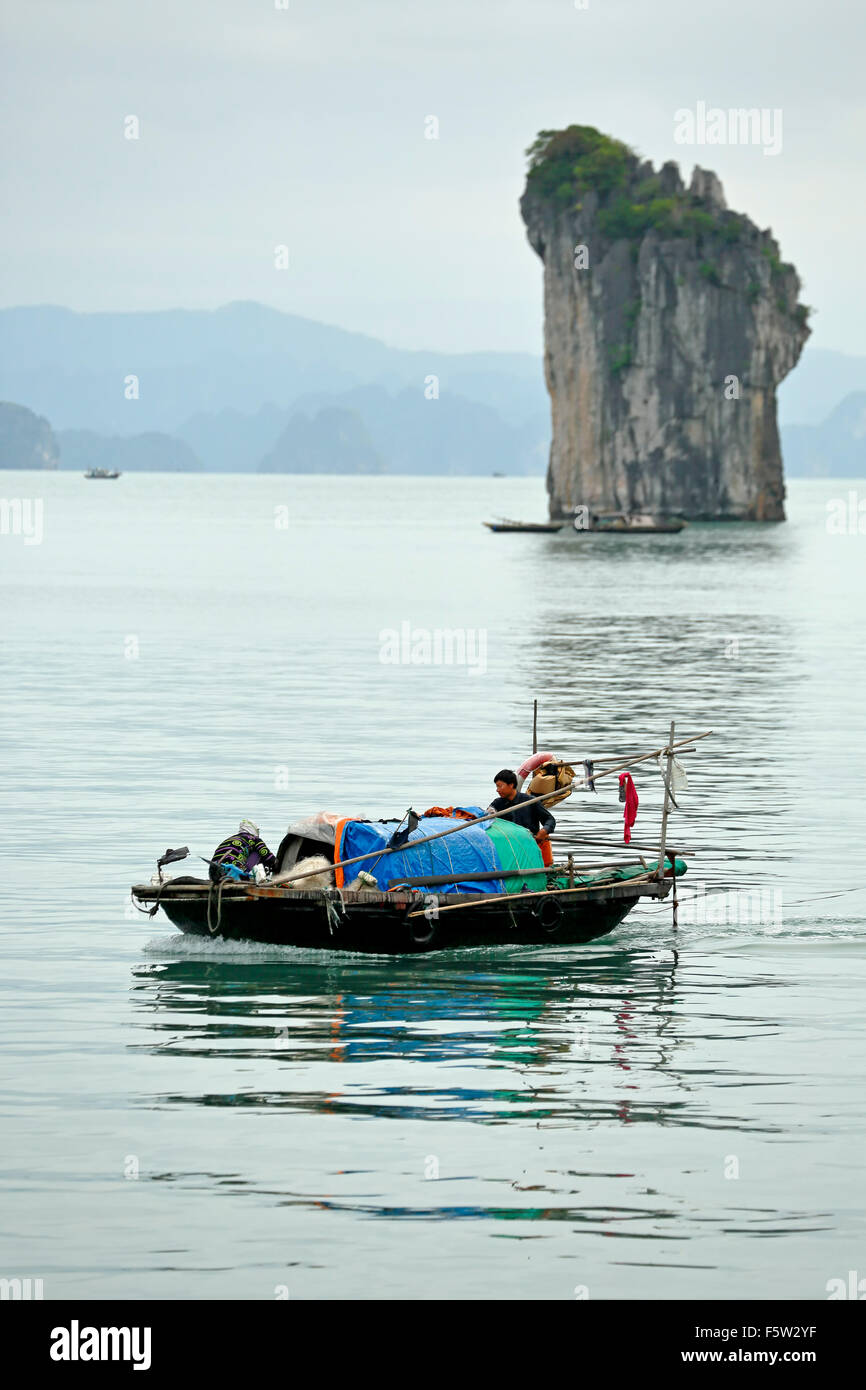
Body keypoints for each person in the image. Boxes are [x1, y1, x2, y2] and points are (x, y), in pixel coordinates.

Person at [487, 769, 556, 866]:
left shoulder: (530, 801)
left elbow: (550, 820)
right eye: (496, 786)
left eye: (500, 786)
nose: (497, 790)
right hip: (508, 848)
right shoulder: (497, 804)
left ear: (511, 785)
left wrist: (544, 831)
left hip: (529, 846)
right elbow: (486, 819)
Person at [209, 819, 278, 883]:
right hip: (233, 871)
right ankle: (262, 878)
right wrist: (277, 866)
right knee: (259, 853)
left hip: (214, 872)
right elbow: (269, 857)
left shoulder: (230, 839)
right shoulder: (254, 839)